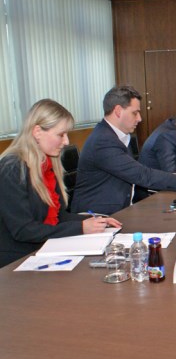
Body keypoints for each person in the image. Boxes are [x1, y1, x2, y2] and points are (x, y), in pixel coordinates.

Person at [0, 99, 121, 268]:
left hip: (42, 250)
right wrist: (81, 227)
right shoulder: (12, 168)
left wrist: (96, 220)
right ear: (37, 132)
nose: (66, 141)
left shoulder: (47, 164)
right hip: (15, 262)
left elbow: (59, 217)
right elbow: (23, 230)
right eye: (60, 134)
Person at [71, 86, 176, 215]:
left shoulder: (117, 136)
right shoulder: (103, 141)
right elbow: (142, 175)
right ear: (118, 111)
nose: (140, 118)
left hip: (122, 209)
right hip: (98, 216)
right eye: (135, 113)